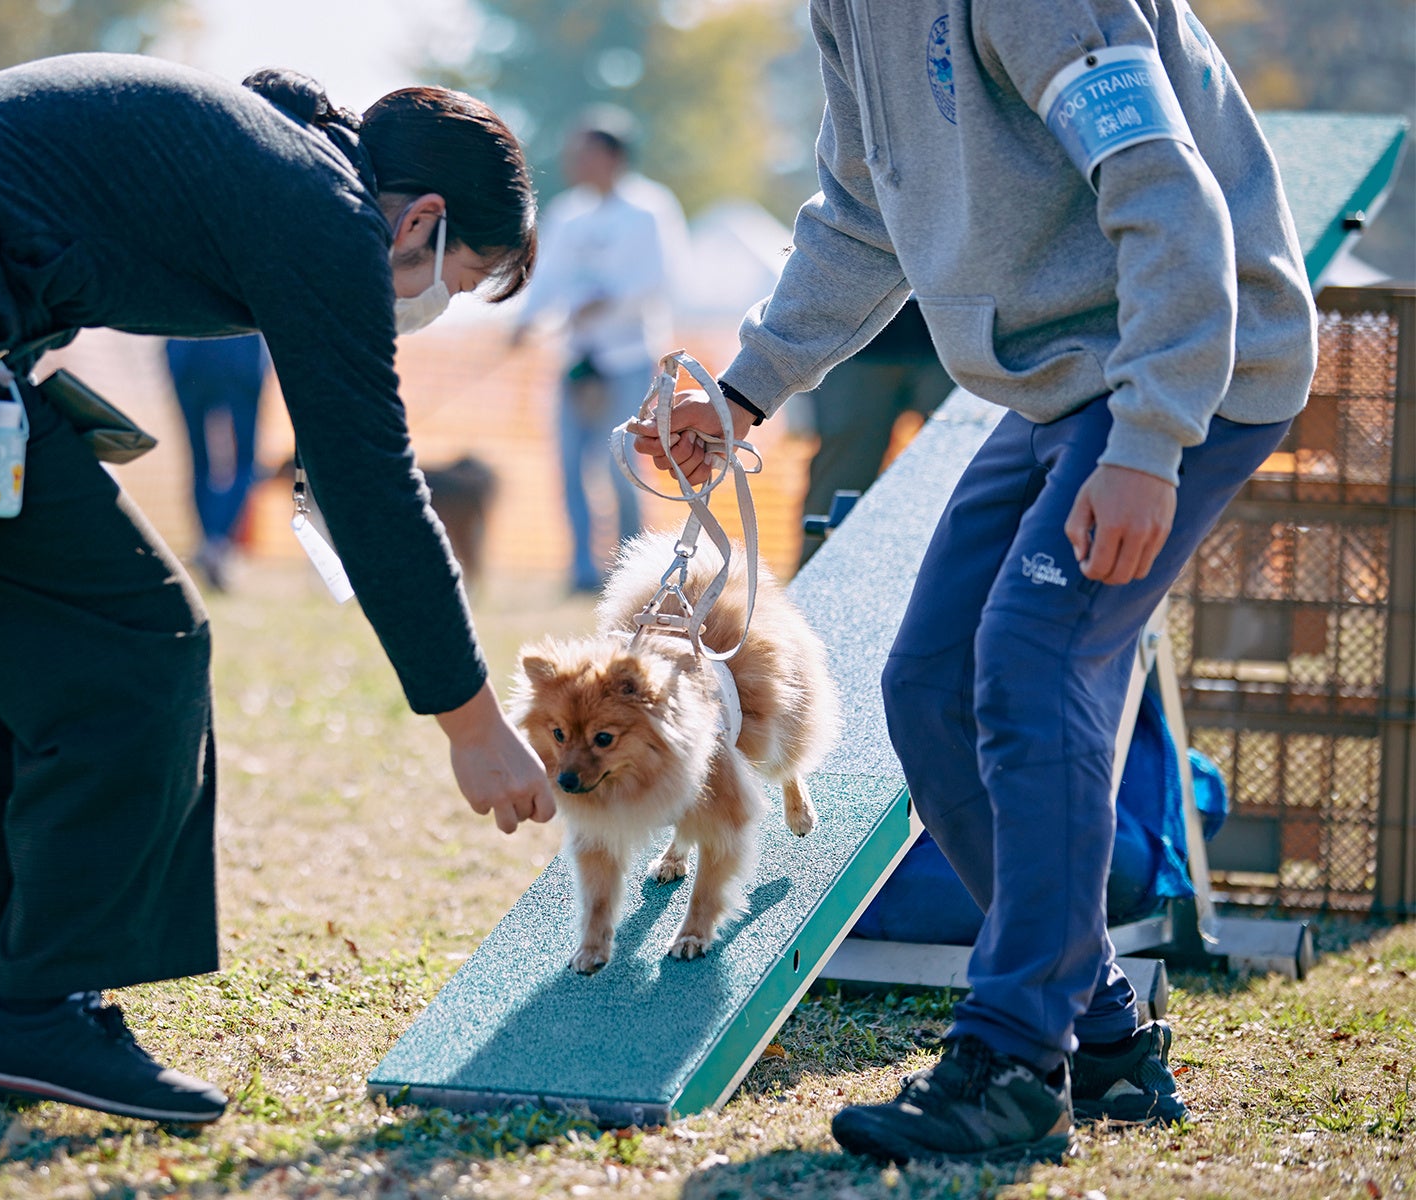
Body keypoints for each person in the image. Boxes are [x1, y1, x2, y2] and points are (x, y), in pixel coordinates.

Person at [0, 54, 554, 1123]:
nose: (429, 305)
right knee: (146, 648)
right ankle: (45, 1010)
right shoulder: (323, 209)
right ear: (423, 221)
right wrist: (472, 723)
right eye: (457, 280)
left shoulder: (248, 155)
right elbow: (369, 480)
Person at [634, 0, 1315, 1163]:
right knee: (931, 686)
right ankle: (1099, 1032)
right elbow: (862, 218)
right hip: (1056, 382)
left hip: (1186, 365)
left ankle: (1011, 1062)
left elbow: (1163, 189)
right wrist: (744, 391)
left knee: (1031, 665)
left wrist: (1150, 439)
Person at [512, 111, 686, 592]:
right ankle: (582, 570)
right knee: (570, 464)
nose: (574, 162)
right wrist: (524, 320)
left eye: (584, 153)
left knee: (624, 464)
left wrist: (607, 300)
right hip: (575, 358)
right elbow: (547, 277)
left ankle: (631, 568)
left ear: (612, 156)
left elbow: (659, 277)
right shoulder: (567, 214)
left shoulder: (650, 208)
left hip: (628, 357)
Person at [796, 301, 951, 562]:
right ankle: (816, 578)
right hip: (852, 340)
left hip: (955, 339)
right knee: (841, 479)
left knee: (959, 472)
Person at [164, 333, 270, 590]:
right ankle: (217, 542)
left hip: (186, 350)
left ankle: (210, 541)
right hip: (239, 350)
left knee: (199, 460)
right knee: (245, 459)